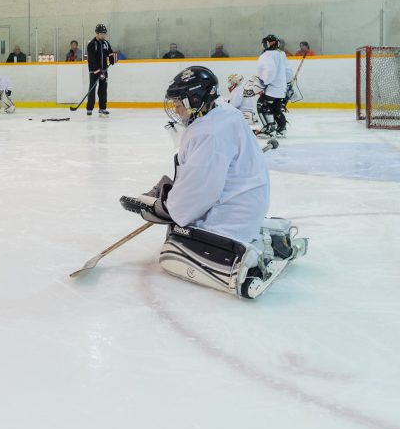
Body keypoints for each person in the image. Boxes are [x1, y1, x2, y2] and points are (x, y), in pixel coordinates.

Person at [120, 66, 308, 299]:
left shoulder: (206, 133)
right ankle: (271, 238)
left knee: (172, 247)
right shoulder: (225, 112)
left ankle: (244, 266)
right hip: (249, 204)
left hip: (230, 216)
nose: (176, 109)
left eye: (180, 103)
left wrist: (163, 208)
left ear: (196, 100)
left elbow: (198, 195)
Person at [256, 34, 290, 137]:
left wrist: (263, 83)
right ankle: (281, 128)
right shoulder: (281, 54)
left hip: (271, 88)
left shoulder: (266, 55)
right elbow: (288, 71)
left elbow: (270, 71)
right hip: (282, 89)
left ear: (267, 44)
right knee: (276, 108)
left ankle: (269, 128)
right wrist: (287, 84)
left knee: (262, 105)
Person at [85, 24, 115, 116]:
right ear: (97, 33)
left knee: (103, 89)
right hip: (94, 71)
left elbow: (110, 53)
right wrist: (97, 70)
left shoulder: (106, 43)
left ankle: (102, 108)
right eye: (101, 34)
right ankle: (89, 108)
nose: (103, 35)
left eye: (104, 34)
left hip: (104, 70)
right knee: (92, 89)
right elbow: (91, 59)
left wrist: (112, 58)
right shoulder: (91, 44)